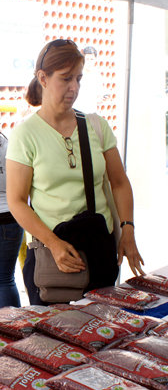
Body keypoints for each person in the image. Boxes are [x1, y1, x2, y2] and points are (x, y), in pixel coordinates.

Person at [6, 39, 144, 305]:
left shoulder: (96, 126)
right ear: (43, 78)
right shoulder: (26, 134)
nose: (74, 88)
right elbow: (17, 201)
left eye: (79, 79)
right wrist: (54, 244)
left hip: (98, 249)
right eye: (66, 78)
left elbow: (119, 182)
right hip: (52, 256)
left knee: (103, 330)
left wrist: (127, 229)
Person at [0, 131, 23, 307]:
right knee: (5, 279)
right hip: (10, 215)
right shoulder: (5, 141)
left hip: (10, 214)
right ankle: (12, 330)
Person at [75, 46, 107, 113]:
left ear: (95, 59)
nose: (89, 62)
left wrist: (101, 98)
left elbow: (102, 95)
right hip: (77, 113)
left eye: (92, 59)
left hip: (91, 114)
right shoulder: (76, 74)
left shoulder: (97, 76)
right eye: (87, 59)